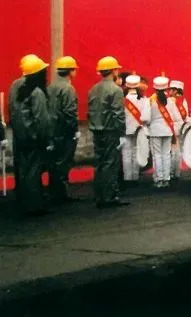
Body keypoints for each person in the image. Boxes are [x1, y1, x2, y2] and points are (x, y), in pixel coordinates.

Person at [11, 54, 52, 215]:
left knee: (22, 170)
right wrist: (46, 139)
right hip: (34, 138)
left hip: (19, 137)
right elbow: (42, 119)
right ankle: (35, 205)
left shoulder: (15, 86)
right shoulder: (37, 91)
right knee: (34, 171)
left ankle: (24, 201)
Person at [88, 56, 127, 208]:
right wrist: (122, 133)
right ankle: (109, 196)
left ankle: (99, 196)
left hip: (96, 131)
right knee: (111, 164)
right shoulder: (116, 90)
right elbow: (118, 114)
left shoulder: (93, 89)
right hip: (110, 131)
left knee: (99, 164)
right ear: (113, 71)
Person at [46, 56, 79, 203]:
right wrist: (74, 130)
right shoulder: (68, 88)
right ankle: (60, 194)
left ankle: (54, 192)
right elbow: (70, 112)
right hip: (64, 131)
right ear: (70, 71)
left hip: (52, 130)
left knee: (54, 162)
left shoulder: (50, 87)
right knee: (64, 162)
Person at [147, 75, 176, 188]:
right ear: (166, 88)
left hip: (155, 131)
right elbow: (174, 116)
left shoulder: (150, 100)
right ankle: (166, 178)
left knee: (157, 155)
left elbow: (145, 118)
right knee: (166, 154)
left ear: (154, 88)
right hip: (167, 130)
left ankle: (159, 179)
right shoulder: (171, 101)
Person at [120, 74, 149, 185]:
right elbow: (146, 117)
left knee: (126, 153)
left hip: (126, 129)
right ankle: (135, 176)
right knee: (137, 152)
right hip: (139, 129)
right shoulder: (144, 100)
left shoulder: (122, 100)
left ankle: (127, 178)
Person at [168, 80, 189, 178]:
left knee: (172, 151)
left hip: (172, 127)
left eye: (171, 89)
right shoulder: (183, 100)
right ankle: (177, 172)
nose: (169, 91)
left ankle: (171, 172)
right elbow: (186, 115)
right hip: (181, 127)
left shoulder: (169, 101)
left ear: (175, 90)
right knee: (179, 151)